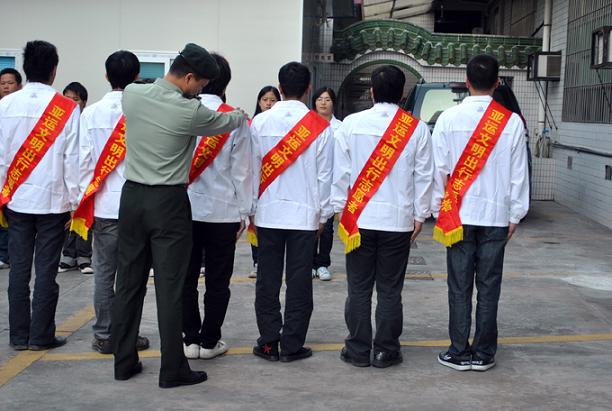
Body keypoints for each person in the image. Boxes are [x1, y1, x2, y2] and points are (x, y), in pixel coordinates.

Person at [110, 43, 247, 388]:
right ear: (188, 77)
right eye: (200, 85)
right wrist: (241, 114)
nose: (201, 91)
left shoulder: (133, 95)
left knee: (127, 284)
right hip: (168, 203)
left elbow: (149, 90)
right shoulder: (190, 112)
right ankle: (172, 369)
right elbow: (225, 121)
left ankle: (123, 362)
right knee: (170, 287)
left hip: (131, 198)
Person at [431, 54, 529, 372]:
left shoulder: (448, 118)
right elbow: (519, 173)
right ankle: (484, 353)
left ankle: (459, 351)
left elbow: (439, 170)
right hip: (496, 216)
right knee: (489, 286)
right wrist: (516, 214)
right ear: (498, 83)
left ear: (466, 82)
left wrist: (437, 209)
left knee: (459, 286)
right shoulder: (511, 121)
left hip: (457, 215)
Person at [332, 66, 433, 368]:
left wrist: (340, 209)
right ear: (402, 95)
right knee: (390, 289)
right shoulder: (415, 128)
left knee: (359, 287)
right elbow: (424, 176)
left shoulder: (350, 124)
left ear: (372, 92)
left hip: (359, 220)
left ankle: (358, 349)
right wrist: (420, 215)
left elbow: (341, 173)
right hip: (398, 220)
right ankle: (386, 350)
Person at [250, 62, 333, 362]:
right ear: (309, 89)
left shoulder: (259, 123)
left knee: (267, 280)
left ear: (280, 89)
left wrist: (250, 211)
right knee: (299, 282)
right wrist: (323, 217)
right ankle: (293, 344)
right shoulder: (320, 127)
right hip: (304, 216)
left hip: (268, 214)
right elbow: (326, 177)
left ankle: (269, 341)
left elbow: (251, 170)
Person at [0, 40, 80, 351]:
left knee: (19, 269)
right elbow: (72, 160)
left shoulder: (5, 106)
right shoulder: (67, 108)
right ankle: (41, 336)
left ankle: (18, 336)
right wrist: (75, 200)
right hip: (53, 201)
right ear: (53, 70)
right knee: (47, 270)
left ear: (24, 69)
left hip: (16, 199)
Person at [72, 50, 150, 354]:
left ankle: (104, 334)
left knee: (104, 271)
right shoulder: (143, 110)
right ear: (136, 76)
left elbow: (83, 161)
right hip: (138, 202)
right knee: (134, 274)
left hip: (105, 205)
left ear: (106, 77)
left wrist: (81, 200)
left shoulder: (90, 113)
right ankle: (128, 334)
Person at [182, 53, 252, 360]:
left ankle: (189, 339)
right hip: (223, 211)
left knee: (184, 278)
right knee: (218, 280)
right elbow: (243, 170)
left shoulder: (181, 111)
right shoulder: (234, 118)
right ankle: (210, 341)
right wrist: (244, 212)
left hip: (182, 209)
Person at [59, 81, 93, 274]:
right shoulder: (59, 123)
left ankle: (84, 256)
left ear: (83, 102)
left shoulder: (87, 120)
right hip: (66, 177)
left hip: (85, 175)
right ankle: (68, 255)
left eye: (75, 99)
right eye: (67, 98)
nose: (71, 102)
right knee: (67, 216)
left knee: (85, 215)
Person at [247, 85, 281, 278]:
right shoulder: (253, 124)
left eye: (273, 100)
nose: (268, 103)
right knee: (255, 222)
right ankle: (256, 260)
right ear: (259, 102)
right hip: (258, 180)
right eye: (265, 100)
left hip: (274, 180)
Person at [311, 86, 342, 281]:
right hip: (310, 182)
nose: (323, 102)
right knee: (308, 226)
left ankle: (323, 263)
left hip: (332, 182)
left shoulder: (341, 127)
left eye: (328, 99)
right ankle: (309, 262)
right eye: (320, 99)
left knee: (327, 227)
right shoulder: (306, 126)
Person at [0, 67, 23, 269]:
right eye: (2, 83)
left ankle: (5, 254)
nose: (6, 87)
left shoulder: (22, 109)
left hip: (16, 172)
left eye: (10, 83)